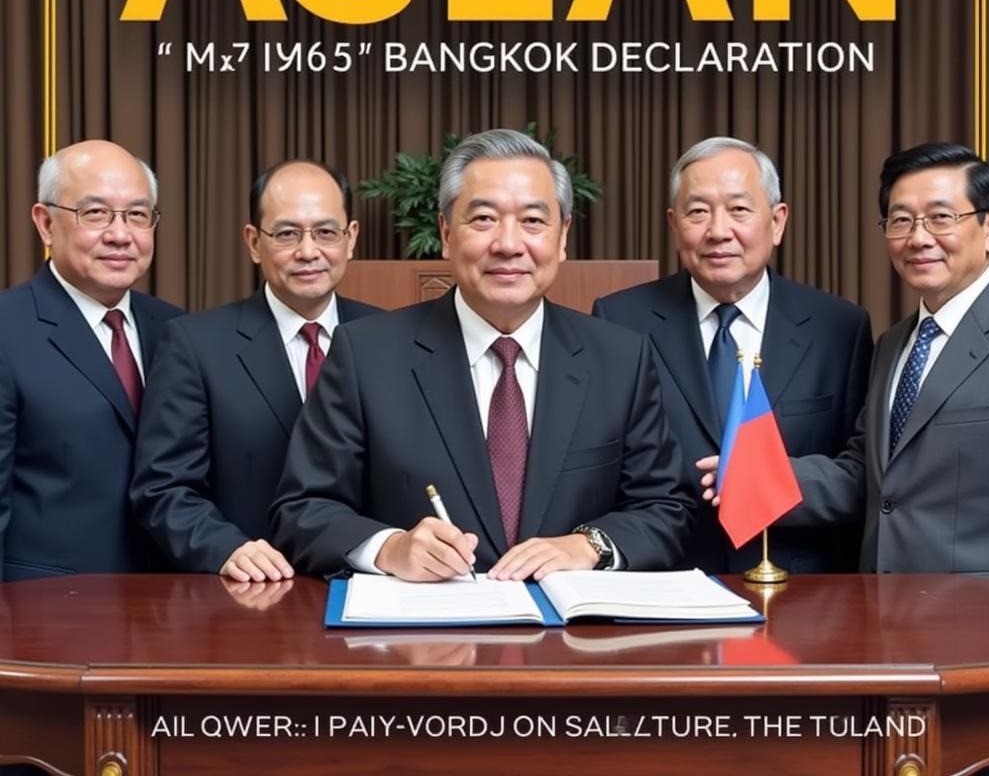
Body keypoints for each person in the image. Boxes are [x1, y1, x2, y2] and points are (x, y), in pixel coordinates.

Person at [270, 129, 692, 581]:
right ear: (447, 233)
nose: (508, 244)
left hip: (573, 641)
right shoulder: (365, 354)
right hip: (423, 642)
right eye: (484, 219)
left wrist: (588, 546)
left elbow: (665, 508)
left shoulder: (620, 359)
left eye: (533, 221)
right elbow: (301, 510)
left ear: (562, 236)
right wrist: (390, 549)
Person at [700, 142, 989, 582]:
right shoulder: (894, 344)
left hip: (979, 625)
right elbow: (865, 473)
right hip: (879, 612)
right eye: (902, 220)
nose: (919, 237)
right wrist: (756, 473)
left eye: (942, 218)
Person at [594, 137, 873, 573]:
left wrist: (767, 481)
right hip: (663, 582)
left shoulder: (839, 327)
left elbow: (860, 475)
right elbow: (605, 465)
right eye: (697, 211)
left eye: (739, 210)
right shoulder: (619, 319)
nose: (718, 231)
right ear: (674, 224)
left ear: (778, 222)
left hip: (800, 590)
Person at [131, 161, 379, 582]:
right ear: (253, 242)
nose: (308, 251)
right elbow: (163, 489)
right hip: (249, 592)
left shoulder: (387, 338)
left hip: (373, 591)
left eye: (325, 232)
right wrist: (226, 548)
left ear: (350, 238)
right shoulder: (195, 345)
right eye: (286, 234)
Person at [0, 140, 182, 581]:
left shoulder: (176, 330)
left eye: (137, 215)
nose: (120, 234)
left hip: (168, 609)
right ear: (45, 224)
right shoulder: (8, 328)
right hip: (43, 613)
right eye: (95, 213)